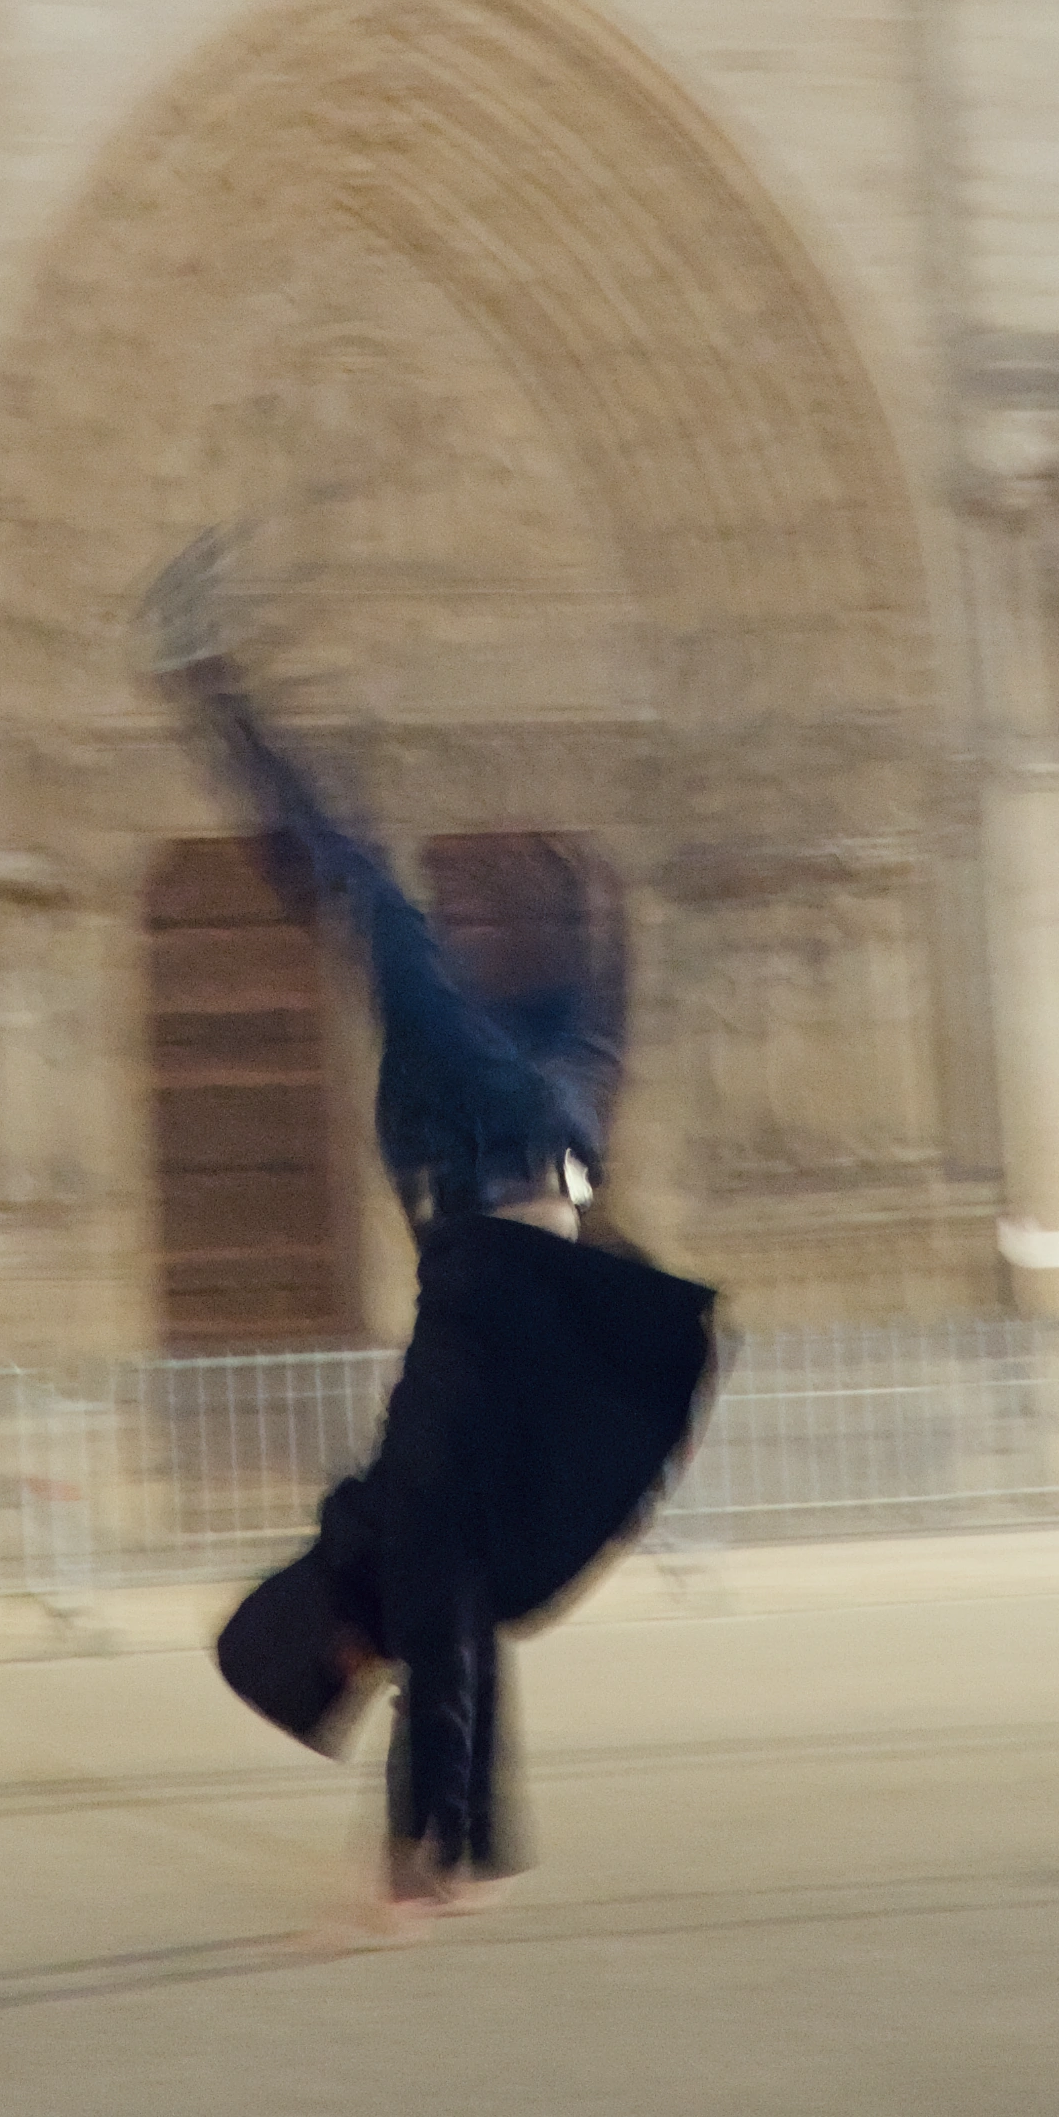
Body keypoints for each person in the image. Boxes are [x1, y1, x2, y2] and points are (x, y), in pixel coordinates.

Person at [152, 557, 719, 1918]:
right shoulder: (544, 1037)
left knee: (430, 1552)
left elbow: (336, 865)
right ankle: (441, 1846)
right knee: (445, 1559)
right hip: (553, 1263)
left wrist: (217, 701)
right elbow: (576, 978)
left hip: (496, 1270)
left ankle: (427, 1846)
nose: (463, 920)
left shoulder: (460, 1035)